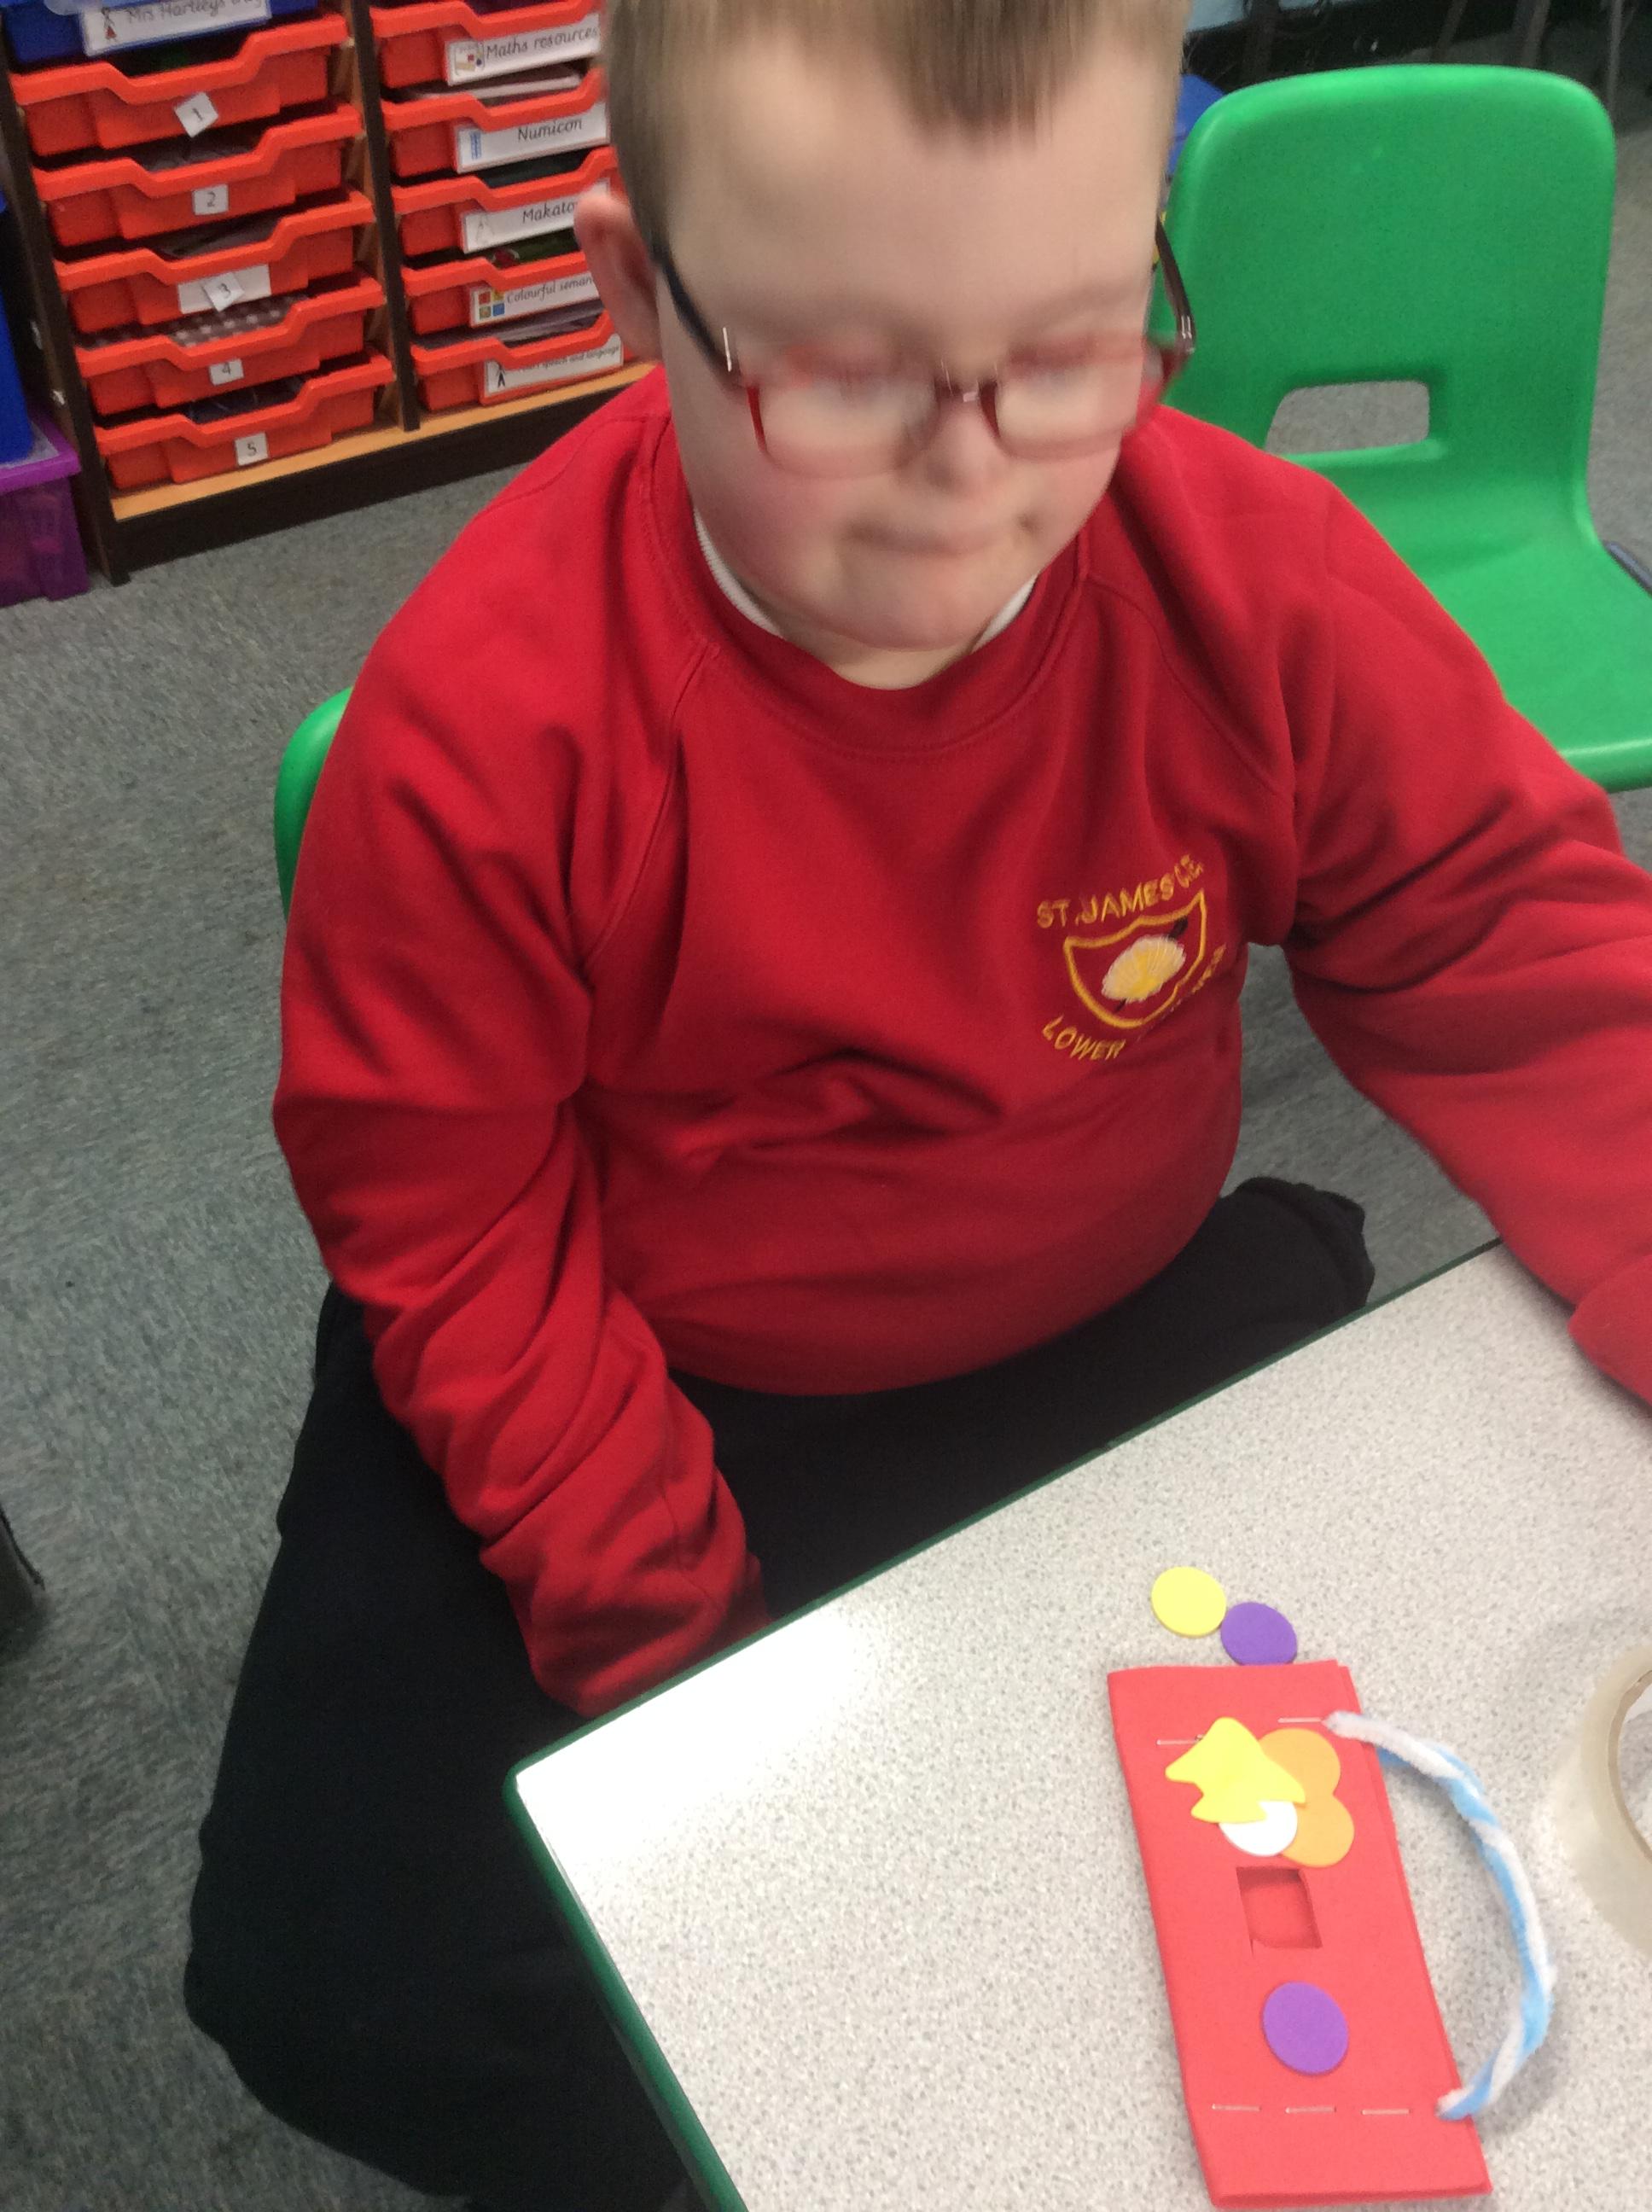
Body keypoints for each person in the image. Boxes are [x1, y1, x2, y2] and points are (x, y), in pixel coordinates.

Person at [183, 3, 1652, 2207]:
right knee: (342, 1988)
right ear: (635, 291)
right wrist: (667, 1631)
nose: (976, 476)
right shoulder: (489, 729)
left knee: (1307, 1835)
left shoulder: (1246, 574)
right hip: (650, 1373)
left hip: (1099, 1311)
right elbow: (453, 1222)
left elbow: (1499, 938)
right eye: (851, 369)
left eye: (1071, 344)